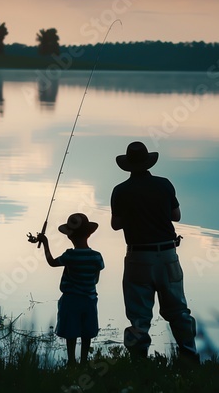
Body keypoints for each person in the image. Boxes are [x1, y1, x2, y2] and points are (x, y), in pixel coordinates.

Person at [110, 141, 197, 361]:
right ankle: (190, 357)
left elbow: (116, 224)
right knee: (178, 311)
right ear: (148, 162)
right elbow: (176, 216)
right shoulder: (164, 184)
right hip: (167, 255)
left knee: (139, 318)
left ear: (127, 165)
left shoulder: (120, 191)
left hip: (138, 257)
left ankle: (139, 363)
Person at [37, 212, 105, 365]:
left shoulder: (69, 256)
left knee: (71, 333)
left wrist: (46, 243)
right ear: (89, 234)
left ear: (69, 236)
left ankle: (72, 362)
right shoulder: (97, 257)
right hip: (90, 300)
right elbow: (96, 279)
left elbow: (52, 262)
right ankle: (84, 362)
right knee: (87, 333)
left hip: (71, 300)